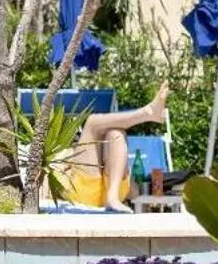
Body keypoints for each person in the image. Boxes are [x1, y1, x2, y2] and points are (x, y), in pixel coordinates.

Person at [63, 84, 168, 212]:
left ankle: (148, 112)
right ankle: (147, 113)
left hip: (87, 189)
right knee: (110, 130)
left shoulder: (55, 148)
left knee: (110, 131)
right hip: (98, 191)